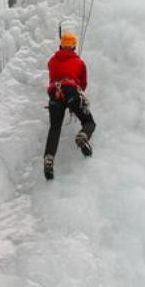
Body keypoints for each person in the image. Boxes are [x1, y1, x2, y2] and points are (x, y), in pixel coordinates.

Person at [43, 31, 96, 180]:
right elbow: (83, 84)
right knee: (88, 121)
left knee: (55, 128)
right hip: (72, 91)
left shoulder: (52, 61)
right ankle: (83, 135)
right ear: (73, 46)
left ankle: (49, 158)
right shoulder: (79, 62)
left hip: (55, 94)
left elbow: (53, 74)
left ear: (61, 45)